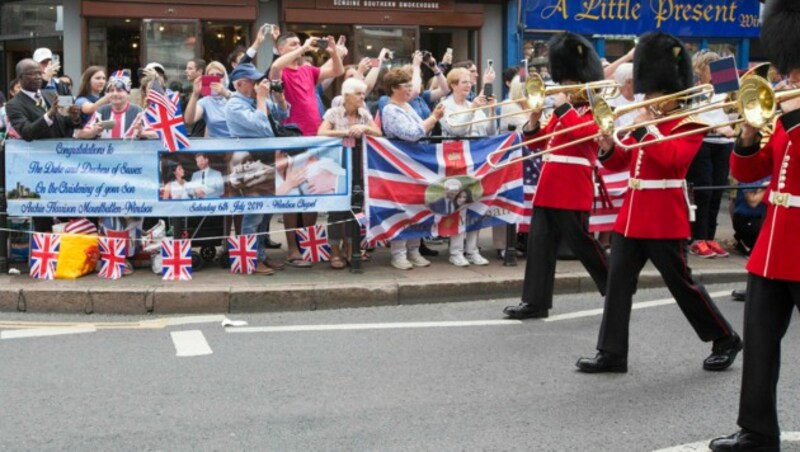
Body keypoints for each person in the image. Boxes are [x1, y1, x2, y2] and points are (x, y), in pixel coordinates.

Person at [575, 32, 741, 374]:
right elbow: (620, 163)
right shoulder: (646, 118)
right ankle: (612, 352)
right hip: (632, 214)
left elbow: (672, 162)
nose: (647, 98)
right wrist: (607, 144)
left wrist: (647, 129)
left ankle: (725, 337)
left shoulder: (691, 123)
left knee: (682, 284)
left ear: (672, 90)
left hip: (664, 214)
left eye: (654, 93)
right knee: (618, 283)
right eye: (646, 91)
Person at [709, 1, 800, 449]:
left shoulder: (793, 113)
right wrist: (747, 134)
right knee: (761, 345)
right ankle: (757, 431)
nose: (791, 79)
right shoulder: (783, 113)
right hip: (773, 246)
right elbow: (749, 173)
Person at [503, 32, 609, 319]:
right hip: (549, 185)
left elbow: (586, 136)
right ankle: (535, 302)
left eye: (569, 84)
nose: (563, 88)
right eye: (562, 83)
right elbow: (539, 143)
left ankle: (615, 284)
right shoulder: (564, 112)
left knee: (581, 242)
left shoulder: (594, 109)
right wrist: (534, 120)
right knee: (540, 245)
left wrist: (562, 107)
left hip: (573, 186)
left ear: (583, 82)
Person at [269, 32, 344, 268]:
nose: (299, 47)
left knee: (312, 193)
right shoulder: (279, 71)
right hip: (292, 138)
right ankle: (292, 249)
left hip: (315, 137)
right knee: (293, 196)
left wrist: (332, 51)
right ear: (282, 49)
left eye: (299, 44)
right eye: (293, 44)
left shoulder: (307, 70)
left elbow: (337, 71)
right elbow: (275, 65)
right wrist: (304, 48)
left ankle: (308, 242)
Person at [225, 62, 290, 275]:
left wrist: (279, 99)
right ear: (241, 84)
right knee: (253, 214)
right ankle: (250, 260)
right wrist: (262, 98)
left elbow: (282, 116)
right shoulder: (235, 105)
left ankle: (260, 254)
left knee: (265, 214)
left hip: (266, 161)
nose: (257, 84)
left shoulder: (255, 99)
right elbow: (261, 126)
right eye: (253, 81)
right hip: (249, 164)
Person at [381, 67, 445, 270]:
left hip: (417, 163)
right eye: (406, 85)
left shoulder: (408, 107)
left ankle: (414, 250)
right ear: (393, 88)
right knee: (402, 209)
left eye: (410, 84)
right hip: (401, 164)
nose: (410, 89)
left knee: (418, 207)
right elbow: (412, 133)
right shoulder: (390, 109)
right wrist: (433, 117)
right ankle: (398, 254)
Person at [318, 77, 382, 269]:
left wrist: (364, 128)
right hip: (337, 167)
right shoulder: (334, 112)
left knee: (355, 208)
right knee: (337, 210)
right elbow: (321, 132)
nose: (363, 97)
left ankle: (351, 247)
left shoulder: (364, 113)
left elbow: (378, 132)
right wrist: (346, 132)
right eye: (359, 94)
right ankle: (335, 251)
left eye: (363, 93)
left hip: (359, 167)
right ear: (346, 95)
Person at [439, 66, 496, 267]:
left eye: (470, 82)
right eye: (464, 82)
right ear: (453, 85)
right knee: (457, 205)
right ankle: (456, 251)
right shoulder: (446, 106)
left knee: (475, 205)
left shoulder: (473, 104)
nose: (469, 85)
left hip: (476, 161)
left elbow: (491, 130)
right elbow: (457, 129)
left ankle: (472, 249)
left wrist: (489, 109)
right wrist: (473, 109)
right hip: (455, 162)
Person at [687, 50, 736, 258]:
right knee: (704, 192)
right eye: (711, 68)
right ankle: (698, 239)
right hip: (704, 142)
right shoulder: (696, 89)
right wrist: (716, 128)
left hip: (724, 142)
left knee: (717, 192)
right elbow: (692, 117)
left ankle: (710, 237)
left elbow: (733, 109)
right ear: (701, 69)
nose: (715, 72)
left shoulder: (725, 88)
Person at [75, 70, 156, 140]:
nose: (115, 94)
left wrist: (142, 133)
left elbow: (157, 134)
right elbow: (78, 134)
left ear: (128, 93)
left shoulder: (137, 111)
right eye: (111, 90)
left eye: (119, 90)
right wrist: (93, 131)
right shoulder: (101, 111)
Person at [184, 61, 232, 138]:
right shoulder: (205, 101)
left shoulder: (234, 96)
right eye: (211, 76)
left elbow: (243, 115)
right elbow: (189, 120)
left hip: (237, 143)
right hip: (215, 146)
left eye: (219, 75)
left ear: (225, 77)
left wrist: (225, 94)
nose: (215, 78)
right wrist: (195, 94)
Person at [731, 177, 769, 256]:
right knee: (760, 252)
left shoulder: (771, 174)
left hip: (762, 218)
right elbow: (753, 202)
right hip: (747, 219)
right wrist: (766, 188)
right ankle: (741, 240)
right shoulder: (749, 175)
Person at [183, 58, 207, 137]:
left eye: (190, 68)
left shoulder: (206, 91)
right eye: (186, 68)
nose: (186, 71)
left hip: (202, 137)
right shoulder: (188, 91)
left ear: (200, 71)